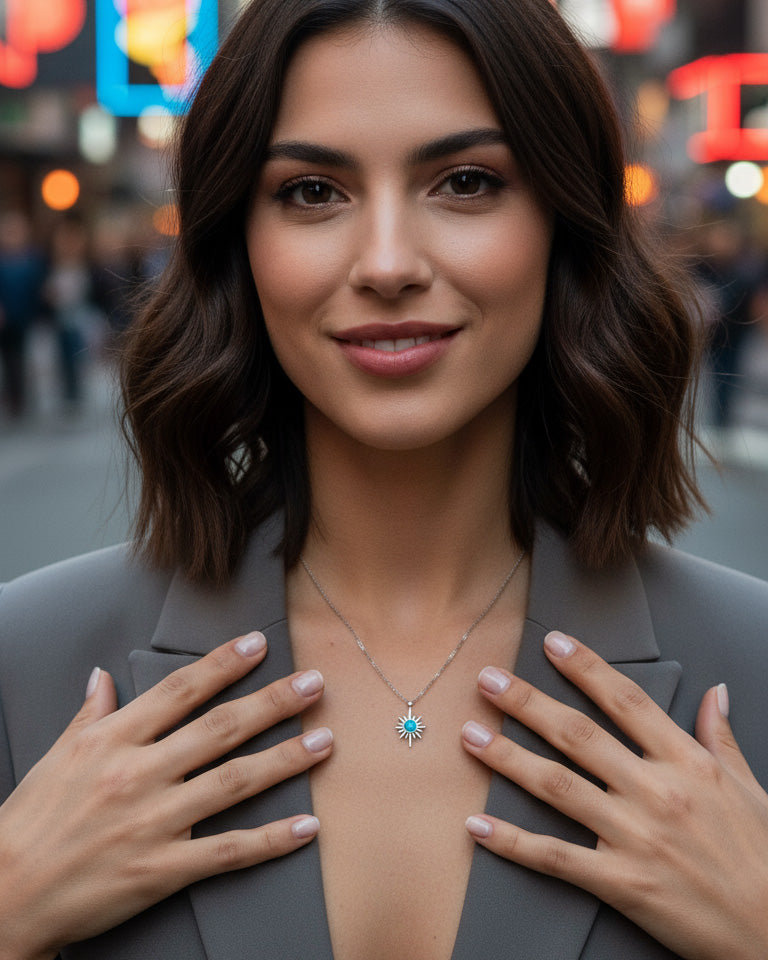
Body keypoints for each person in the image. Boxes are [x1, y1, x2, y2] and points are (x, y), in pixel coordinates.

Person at [0, 1, 767, 958]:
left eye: (467, 182)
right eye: (314, 192)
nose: (389, 263)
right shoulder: (25, 669)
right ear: (238, 240)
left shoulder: (751, 670)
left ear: (564, 223)